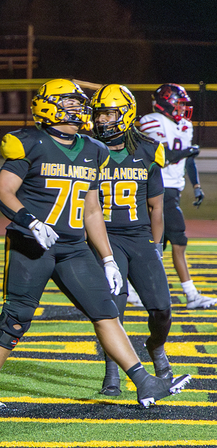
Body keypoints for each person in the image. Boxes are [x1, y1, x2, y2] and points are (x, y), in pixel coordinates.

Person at [0, 78, 190, 409]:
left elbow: (92, 211)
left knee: (106, 312)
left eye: (79, 104)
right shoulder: (28, 142)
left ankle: (145, 383)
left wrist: (107, 258)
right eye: (70, 103)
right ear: (47, 106)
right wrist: (31, 221)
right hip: (31, 243)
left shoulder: (92, 149)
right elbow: (3, 190)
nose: (80, 109)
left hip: (73, 248)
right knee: (17, 316)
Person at [90, 84, 177, 395]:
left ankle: (155, 347)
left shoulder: (148, 150)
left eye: (109, 113)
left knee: (162, 309)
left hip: (140, 237)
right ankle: (112, 369)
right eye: (99, 114)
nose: (101, 120)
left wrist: (157, 246)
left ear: (125, 114)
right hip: (106, 237)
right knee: (113, 308)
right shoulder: (89, 150)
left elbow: (156, 207)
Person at [138, 83, 217, 309]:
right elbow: (163, 155)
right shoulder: (152, 121)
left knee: (157, 244)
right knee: (178, 240)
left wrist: (197, 185)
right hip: (158, 187)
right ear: (167, 103)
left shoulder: (184, 126)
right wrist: (187, 151)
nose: (183, 109)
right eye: (179, 104)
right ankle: (191, 295)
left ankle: (134, 289)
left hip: (173, 188)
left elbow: (188, 160)